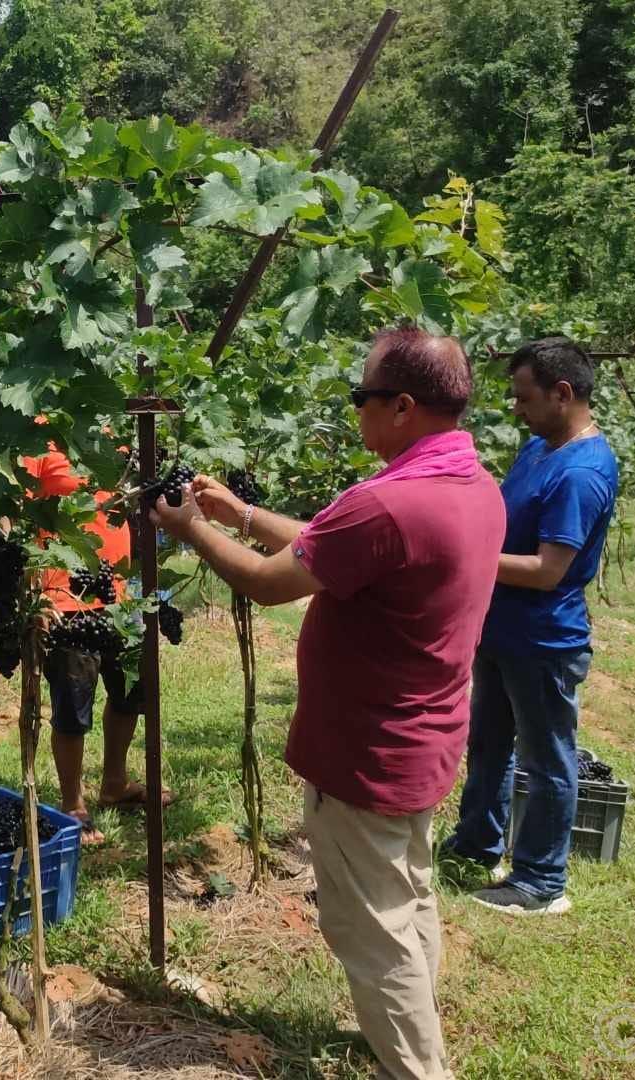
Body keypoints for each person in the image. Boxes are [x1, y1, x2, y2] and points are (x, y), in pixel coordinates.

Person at [152, 327, 505, 1080]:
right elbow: (327, 547)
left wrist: (187, 528)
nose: (356, 412)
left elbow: (270, 581)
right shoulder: (471, 484)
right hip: (425, 742)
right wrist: (238, 514)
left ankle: (418, 1071)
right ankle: (410, 1040)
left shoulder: (388, 504)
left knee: (371, 933)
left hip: (366, 755)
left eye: (361, 397)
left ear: (403, 406)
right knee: (409, 899)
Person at [445, 337, 619, 917]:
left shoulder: (581, 473)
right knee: (490, 744)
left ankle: (542, 881)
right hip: (504, 632)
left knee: (546, 759)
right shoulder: (542, 450)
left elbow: (548, 571)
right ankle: (476, 846)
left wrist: (461, 555)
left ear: (562, 394)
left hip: (543, 642)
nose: (515, 409)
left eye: (524, 398)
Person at [21, 447, 156, 843]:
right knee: (72, 706)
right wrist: (35, 590)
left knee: (133, 691)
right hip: (67, 598)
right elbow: (19, 516)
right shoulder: (37, 435)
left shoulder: (107, 433)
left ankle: (115, 783)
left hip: (119, 592)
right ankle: (72, 804)